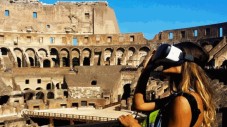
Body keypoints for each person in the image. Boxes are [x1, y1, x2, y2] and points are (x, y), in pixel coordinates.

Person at [118, 42, 216, 127]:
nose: (165, 61)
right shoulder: (178, 97)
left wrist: (132, 125)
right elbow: (140, 105)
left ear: (187, 62)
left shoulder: (182, 101)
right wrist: (147, 69)